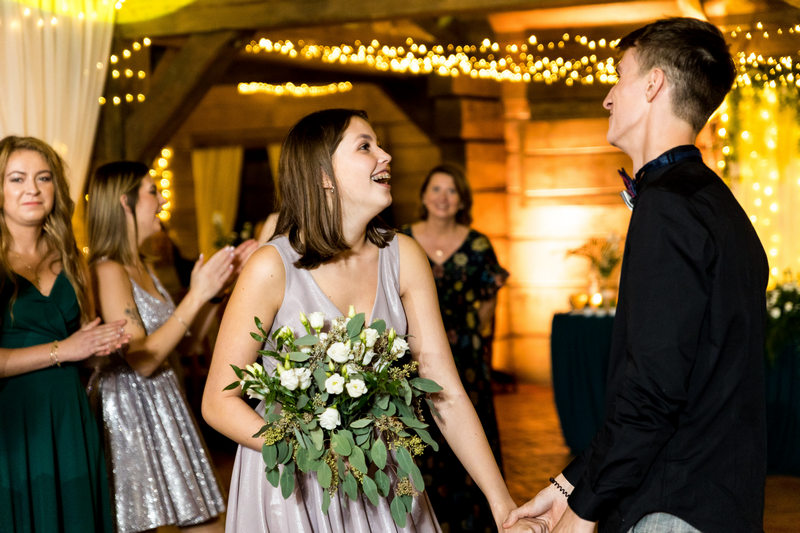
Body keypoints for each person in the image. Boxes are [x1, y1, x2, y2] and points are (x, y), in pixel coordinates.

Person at [202, 109, 538, 532]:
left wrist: (503, 506)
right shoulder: (271, 266)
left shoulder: (404, 257)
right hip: (293, 485)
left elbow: (446, 393)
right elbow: (218, 402)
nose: (386, 155)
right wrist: (313, 452)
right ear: (323, 175)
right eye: (365, 146)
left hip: (381, 472)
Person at [505, 17, 768, 533]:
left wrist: (583, 511)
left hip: (673, 506)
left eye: (618, 76)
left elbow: (652, 394)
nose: (607, 97)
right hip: (715, 500)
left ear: (653, 85)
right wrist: (567, 486)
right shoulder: (716, 203)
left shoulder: (668, 207)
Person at [86, 161, 255, 533]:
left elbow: (187, 344)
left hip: (164, 402)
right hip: (128, 412)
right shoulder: (108, 269)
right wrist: (195, 295)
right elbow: (142, 360)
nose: (162, 201)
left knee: (207, 522)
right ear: (124, 202)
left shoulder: (143, 266)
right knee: (145, 524)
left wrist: (216, 291)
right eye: (152, 192)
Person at [0, 136, 128, 532]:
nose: (33, 189)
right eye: (17, 179)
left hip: (70, 418)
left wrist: (103, 346)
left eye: (43, 178)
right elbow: (67, 348)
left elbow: (82, 349)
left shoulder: (71, 258)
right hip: (13, 420)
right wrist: (63, 349)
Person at [400, 163, 508, 532]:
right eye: (436, 189)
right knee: (420, 435)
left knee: (468, 429)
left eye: (451, 191)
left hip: (465, 355)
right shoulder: (401, 241)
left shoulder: (478, 244)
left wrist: (471, 339)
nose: (443, 197)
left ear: (462, 200)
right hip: (414, 358)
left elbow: (488, 303)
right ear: (423, 196)